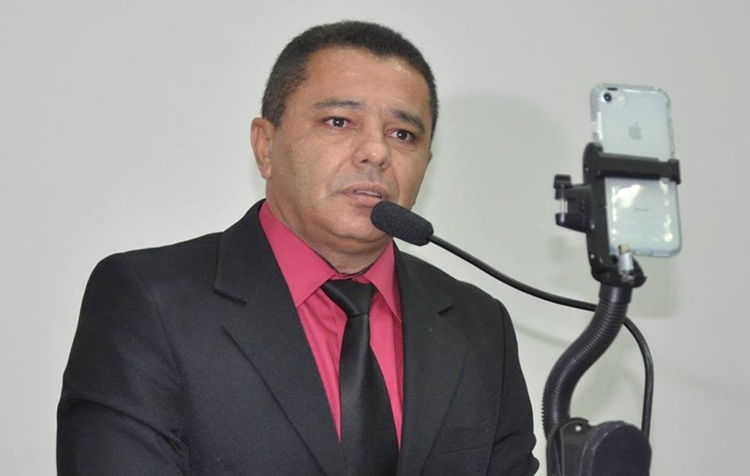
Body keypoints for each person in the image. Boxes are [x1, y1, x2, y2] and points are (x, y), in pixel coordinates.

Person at [57, 20, 539, 476]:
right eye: (339, 121)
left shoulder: (478, 325)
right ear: (265, 146)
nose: (377, 152)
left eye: (402, 134)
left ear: (426, 163)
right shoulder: (150, 300)